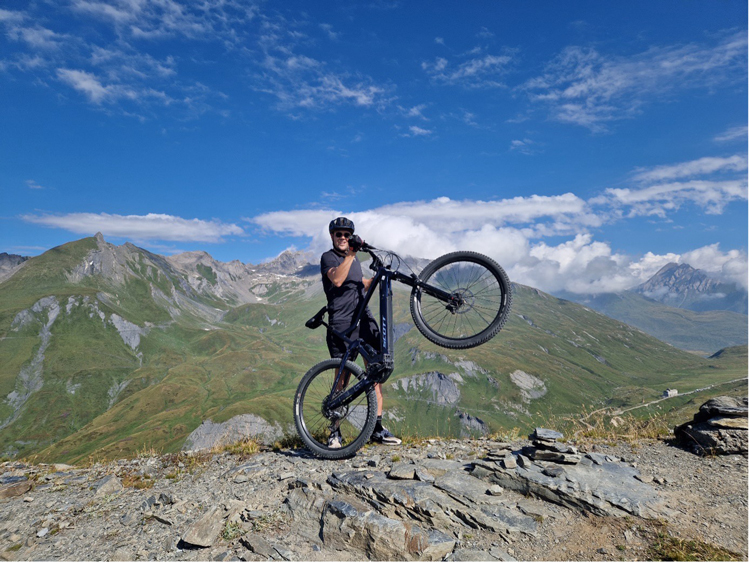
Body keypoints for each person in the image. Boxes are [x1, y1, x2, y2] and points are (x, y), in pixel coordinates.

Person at [320, 216, 401, 448]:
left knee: (375, 369)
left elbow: (358, 282)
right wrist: (352, 254)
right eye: (339, 234)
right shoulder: (329, 258)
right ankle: (334, 432)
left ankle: (376, 428)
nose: (343, 238)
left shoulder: (352, 261)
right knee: (342, 377)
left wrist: (376, 279)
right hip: (342, 321)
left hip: (363, 318)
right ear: (332, 237)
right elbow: (336, 280)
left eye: (347, 235)